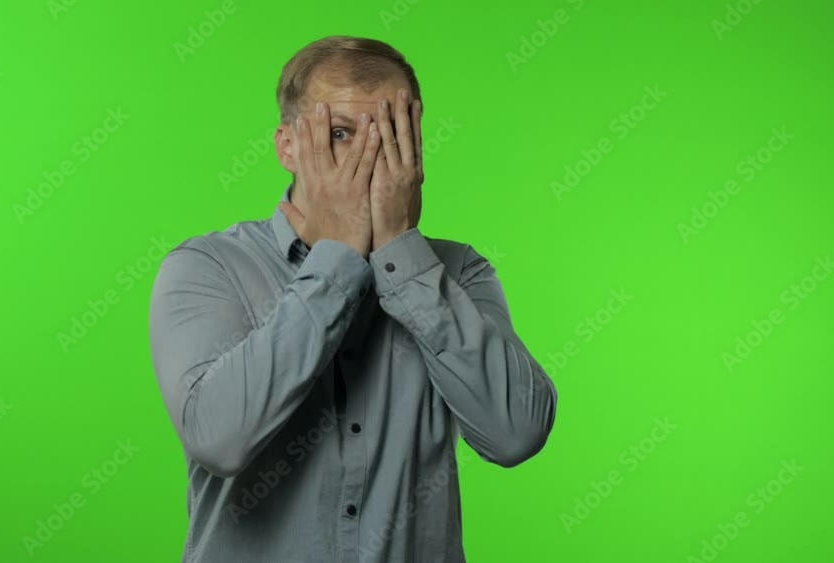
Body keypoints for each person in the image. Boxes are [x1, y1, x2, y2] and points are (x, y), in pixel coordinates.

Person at [149, 35, 557, 563]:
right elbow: (219, 440)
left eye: (391, 135)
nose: (367, 161)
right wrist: (338, 257)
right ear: (287, 147)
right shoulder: (207, 267)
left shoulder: (459, 270)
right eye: (340, 134)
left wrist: (403, 258)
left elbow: (516, 433)